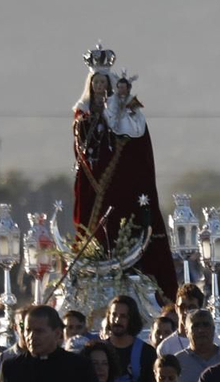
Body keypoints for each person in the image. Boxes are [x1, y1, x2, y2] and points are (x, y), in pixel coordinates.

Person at [71, 56, 176, 300]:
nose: (100, 87)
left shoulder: (122, 106)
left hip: (120, 178)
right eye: (96, 82)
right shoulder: (83, 111)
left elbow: (135, 133)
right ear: (91, 85)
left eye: (103, 82)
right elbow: (84, 144)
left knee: (124, 216)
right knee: (95, 222)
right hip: (95, 179)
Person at [105, 295, 156, 382]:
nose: (117, 320)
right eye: (114, 315)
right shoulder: (99, 350)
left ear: (132, 319)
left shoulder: (147, 352)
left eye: (123, 316)